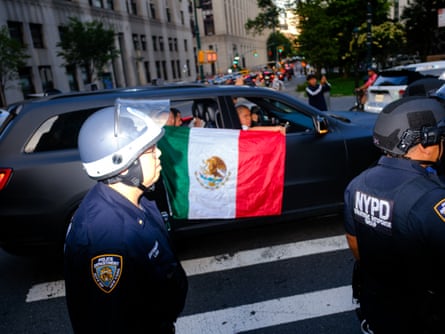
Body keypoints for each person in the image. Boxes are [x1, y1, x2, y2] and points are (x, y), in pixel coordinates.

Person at [64, 100, 188, 333]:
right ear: (123, 166)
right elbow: (113, 321)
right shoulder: (109, 237)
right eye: (151, 150)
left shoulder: (138, 198)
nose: (159, 153)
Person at [344, 96, 445, 334]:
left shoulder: (357, 184)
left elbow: (356, 246)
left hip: (378, 305)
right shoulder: (431, 199)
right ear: (426, 141)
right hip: (422, 316)